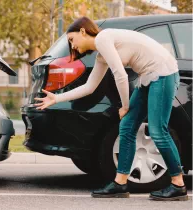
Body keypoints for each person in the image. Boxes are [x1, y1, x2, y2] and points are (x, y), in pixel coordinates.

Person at [34, 17, 187, 201]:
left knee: (157, 130)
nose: (72, 46)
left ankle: (178, 184)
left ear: (83, 31)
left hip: (163, 74)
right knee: (127, 127)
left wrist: (124, 106)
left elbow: (121, 76)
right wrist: (57, 98)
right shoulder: (101, 55)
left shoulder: (103, 38)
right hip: (148, 77)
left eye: (72, 40)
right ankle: (120, 183)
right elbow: (89, 87)